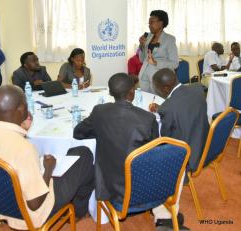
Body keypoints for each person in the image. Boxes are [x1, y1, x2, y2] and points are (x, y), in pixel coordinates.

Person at [73, 73, 188, 230]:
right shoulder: (148, 118)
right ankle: (163, 213)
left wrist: (102, 132)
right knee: (177, 162)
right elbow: (155, 153)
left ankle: (161, 214)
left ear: (111, 93)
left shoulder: (99, 112)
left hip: (111, 188)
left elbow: (78, 133)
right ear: (132, 92)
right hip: (145, 188)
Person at [0, 85, 94, 230]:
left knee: (77, 152)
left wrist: (22, 129)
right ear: (21, 108)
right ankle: (79, 211)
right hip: (31, 212)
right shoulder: (23, 148)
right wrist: (49, 170)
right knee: (84, 154)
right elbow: (35, 203)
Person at [149, 68, 209, 174]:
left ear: (166, 88)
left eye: (157, 88)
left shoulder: (168, 107)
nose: (156, 90)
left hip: (189, 157)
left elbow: (165, 139)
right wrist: (163, 108)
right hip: (206, 144)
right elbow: (185, 106)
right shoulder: (197, 88)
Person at [138, 10, 179, 94]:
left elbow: (175, 64)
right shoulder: (147, 37)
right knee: (145, 101)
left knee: (158, 102)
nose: (149, 25)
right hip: (144, 75)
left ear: (161, 23)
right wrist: (141, 45)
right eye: (149, 23)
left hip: (160, 78)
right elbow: (142, 59)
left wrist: (156, 62)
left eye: (152, 22)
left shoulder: (169, 39)